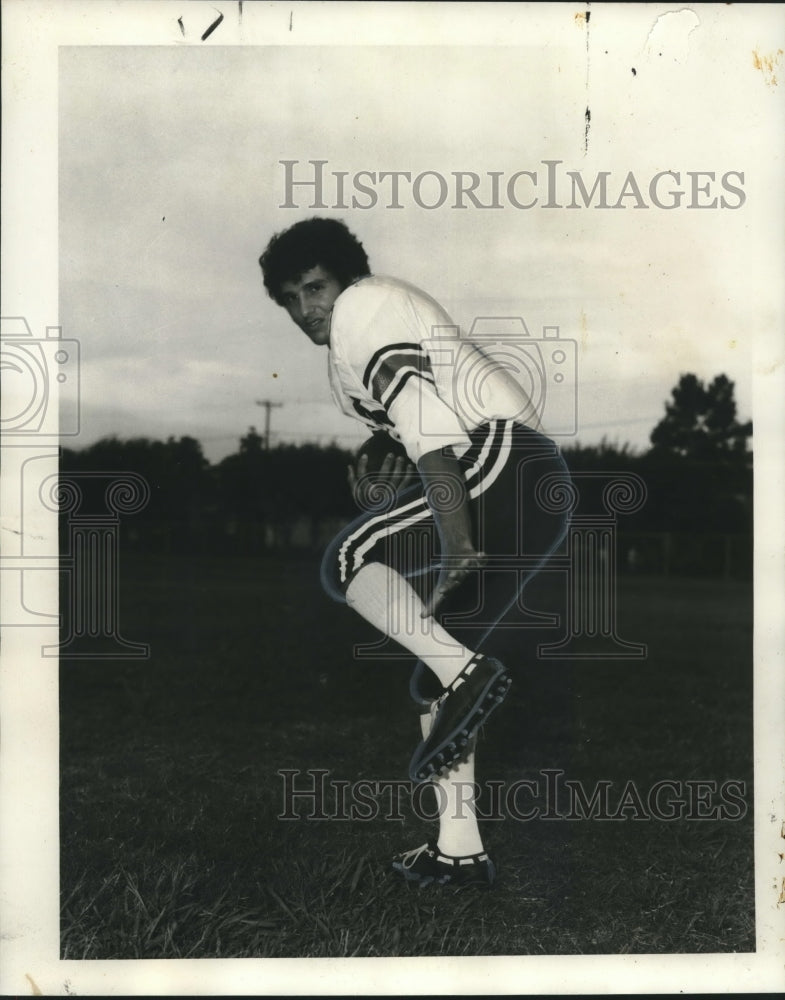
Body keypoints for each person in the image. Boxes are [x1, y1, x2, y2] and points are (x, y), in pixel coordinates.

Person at [259, 218, 570, 888]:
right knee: (437, 673)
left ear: (346, 279)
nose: (306, 308)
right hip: (528, 481)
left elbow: (430, 431)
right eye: (289, 298)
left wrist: (454, 541)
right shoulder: (352, 345)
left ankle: (466, 674)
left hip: (507, 460)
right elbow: (414, 434)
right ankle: (458, 851)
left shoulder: (361, 307)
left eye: (314, 287)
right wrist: (389, 489)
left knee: (347, 562)